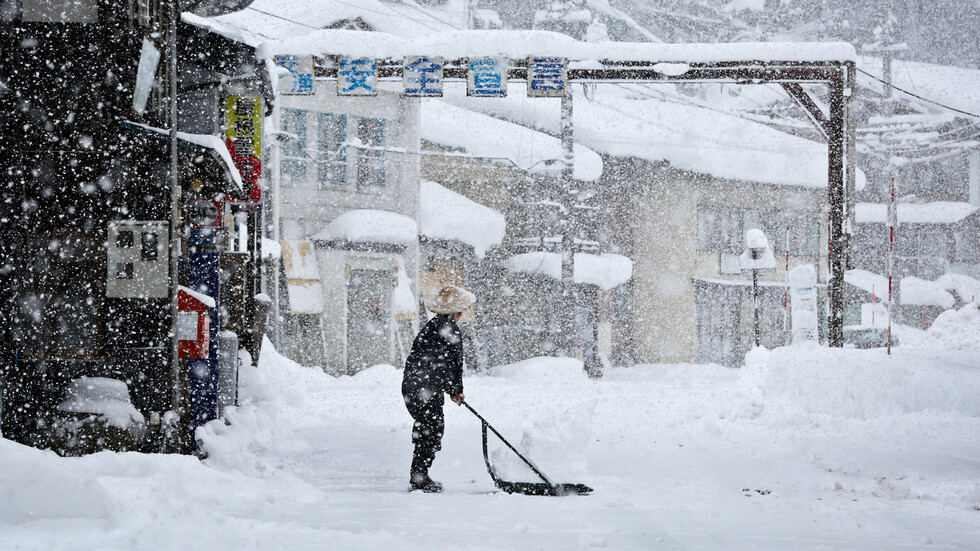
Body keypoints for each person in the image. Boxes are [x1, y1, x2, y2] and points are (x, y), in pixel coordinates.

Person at [402, 284, 476, 493]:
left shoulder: (433, 325)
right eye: (461, 309)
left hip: (414, 385)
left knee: (427, 428)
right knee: (431, 430)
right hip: (424, 387)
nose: (462, 313)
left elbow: (434, 361)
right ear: (456, 311)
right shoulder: (448, 328)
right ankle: (419, 478)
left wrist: (448, 387)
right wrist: (455, 390)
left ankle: (419, 475)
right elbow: (452, 362)